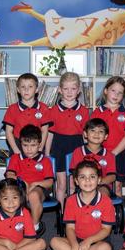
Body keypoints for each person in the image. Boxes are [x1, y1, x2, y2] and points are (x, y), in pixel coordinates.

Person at [49, 160, 115, 250]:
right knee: (54, 241)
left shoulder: (106, 201)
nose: (88, 180)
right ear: (76, 181)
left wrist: (88, 241)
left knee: (106, 249)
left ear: (99, 180)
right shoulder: (70, 201)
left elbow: (106, 230)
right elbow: (69, 228)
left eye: (92, 177)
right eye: (83, 177)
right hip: (76, 239)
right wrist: (74, 245)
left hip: (97, 241)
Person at [46, 72, 89, 205]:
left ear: (79, 91)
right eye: (65, 89)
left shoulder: (84, 111)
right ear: (60, 90)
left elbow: (86, 136)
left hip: (77, 148)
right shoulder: (53, 110)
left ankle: (73, 214)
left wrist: (87, 151)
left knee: (73, 185)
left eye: (73, 88)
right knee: (61, 185)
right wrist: (47, 153)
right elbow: (50, 134)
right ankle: (62, 215)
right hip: (59, 148)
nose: (69, 92)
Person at [5, 124, 54, 237]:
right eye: (25, 145)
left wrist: (35, 183)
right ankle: (9, 226)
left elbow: (50, 182)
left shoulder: (45, 161)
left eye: (33, 145)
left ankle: (34, 226)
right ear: (20, 144)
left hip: (39, 189)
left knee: (33, 195)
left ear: (39, 144)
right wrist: (22, 183)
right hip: (20, 187)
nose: (29, 149)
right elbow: (10, 174)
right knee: (7, 194)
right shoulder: (16, 158)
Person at [91, 76, 125, 197]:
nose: (116, 95)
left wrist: (113, 153)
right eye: (113, 90)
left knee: (118, 187)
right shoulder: (97, 112)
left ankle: (117, 214)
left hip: (118, 154)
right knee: (99, 185)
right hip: (99, 154)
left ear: (123, 96)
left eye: (120, 93)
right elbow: (92, 135)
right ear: (106, 91)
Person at [3, 73, 51, 154]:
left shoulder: (44, 108)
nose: (26, 90)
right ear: (18, 89)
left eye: (30, 87)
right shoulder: (12, 109)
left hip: (36, 144)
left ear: (36, 89)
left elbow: (45, 131)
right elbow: (8, 132)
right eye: (23, 87)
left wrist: (40, 149)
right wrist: (16, 151)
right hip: (18, 145)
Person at [68, 118, 116, 198]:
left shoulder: (109, 155)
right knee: (82, 195)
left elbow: (112, 176)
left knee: (102, 194)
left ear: (106, 136)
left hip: (102, 185)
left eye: (101, 131)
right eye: (92, 130)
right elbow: (75, 173)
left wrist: (96, 182)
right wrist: (88, 183)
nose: (96, 134)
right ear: (85, 134)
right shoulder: (78, 152)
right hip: (83, 185)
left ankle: (101, 210)